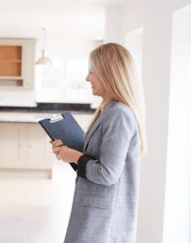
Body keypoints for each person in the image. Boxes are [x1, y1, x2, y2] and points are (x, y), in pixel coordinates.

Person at [51, 43, 147, 243]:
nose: (87, 78)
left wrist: (75, 156)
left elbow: (107, 174)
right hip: (95, 215)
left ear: (108, 73)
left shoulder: (119, 114)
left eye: (91, 72)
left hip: (104, 222)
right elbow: (95, 163)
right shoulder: (108, 110)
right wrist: (68, 153)